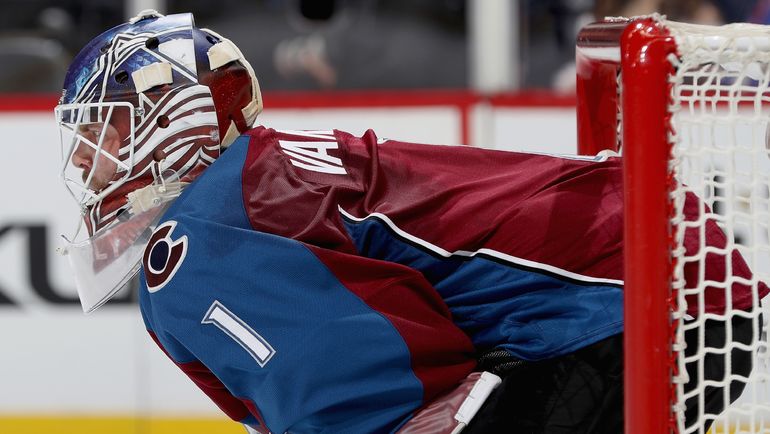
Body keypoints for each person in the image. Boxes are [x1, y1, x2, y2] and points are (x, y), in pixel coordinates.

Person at [56, 10, 768, 434]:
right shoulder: (247, 188)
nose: (89, 160)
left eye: (105, 131)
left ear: (171, 123)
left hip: (631, 308)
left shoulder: (200, 240)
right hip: (652, 281)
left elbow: (380, 384)